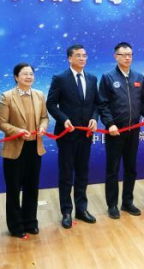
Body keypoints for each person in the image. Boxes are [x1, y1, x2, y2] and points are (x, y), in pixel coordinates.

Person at [99, 42, 144, 219]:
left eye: (130, 54)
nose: (127, 57)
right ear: (115, 56)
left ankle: (127, 202)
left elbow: (143, 101)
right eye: (123, 54)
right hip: (115, 132)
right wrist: (110, 124)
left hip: (133, 131)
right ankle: (112, 205)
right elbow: (103, 104)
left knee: (131, 168)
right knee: (113, 169)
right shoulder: (108, 78)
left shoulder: (139, 77)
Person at [46, 44, 99, 229]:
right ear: (69, 58)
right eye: (78, 55)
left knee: (83, 173)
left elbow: (96, 104)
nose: (82, 58)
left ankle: (82, 209)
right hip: (67, 134)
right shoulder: (60, 78)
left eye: (84, 55)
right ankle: (66, 212)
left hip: (86, 134)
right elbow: (51, 104)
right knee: (66, 174)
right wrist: (64, 119)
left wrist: (94, 119)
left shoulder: (92, 78)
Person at [0, 63, 49, 238]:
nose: (29, 77)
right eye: (24, 74)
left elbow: (44, 117)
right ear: (16, 77)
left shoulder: (39, 95)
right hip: (15, 149)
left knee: (32, 187)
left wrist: (42, 127)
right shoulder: (7, 97)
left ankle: (31, 222)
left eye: (31, 74)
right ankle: (15, 225)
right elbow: (2, 123)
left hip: (35, 147)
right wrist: (18, 131)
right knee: (13, 189)